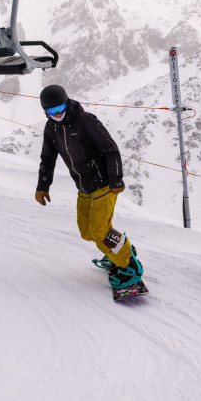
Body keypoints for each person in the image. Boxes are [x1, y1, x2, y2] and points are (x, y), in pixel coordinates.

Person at [34, 84, 145, 290]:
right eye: (51, 111)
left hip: (104, 183)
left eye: (60, 108)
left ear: (67, 103)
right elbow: (47, 158)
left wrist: (117, 179)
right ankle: (121, 248)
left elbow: (111, 149)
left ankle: (130, 267)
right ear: (45, 112)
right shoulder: (52, 128)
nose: (57, 114)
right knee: (87, 232)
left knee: (99, 230)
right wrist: (43, 186)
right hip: (84, 187)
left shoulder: (85, 121)